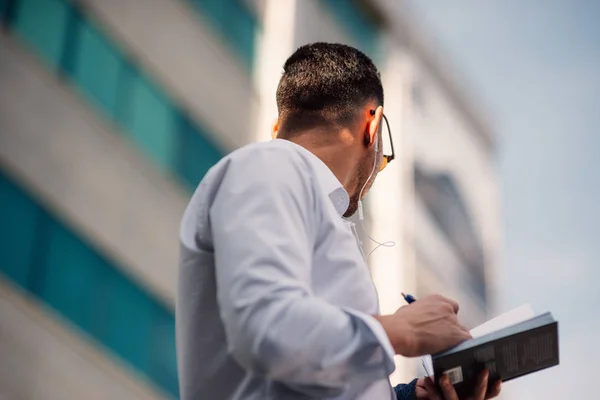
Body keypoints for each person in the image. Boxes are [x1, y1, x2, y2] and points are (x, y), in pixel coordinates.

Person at [176, 42, 502, 400]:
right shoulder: (271, 165)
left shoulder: (281, 182)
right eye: (383, 158)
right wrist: (402, 329)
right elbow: (266, 327)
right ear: (373, 126)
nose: (378, 169)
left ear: (277, 125)